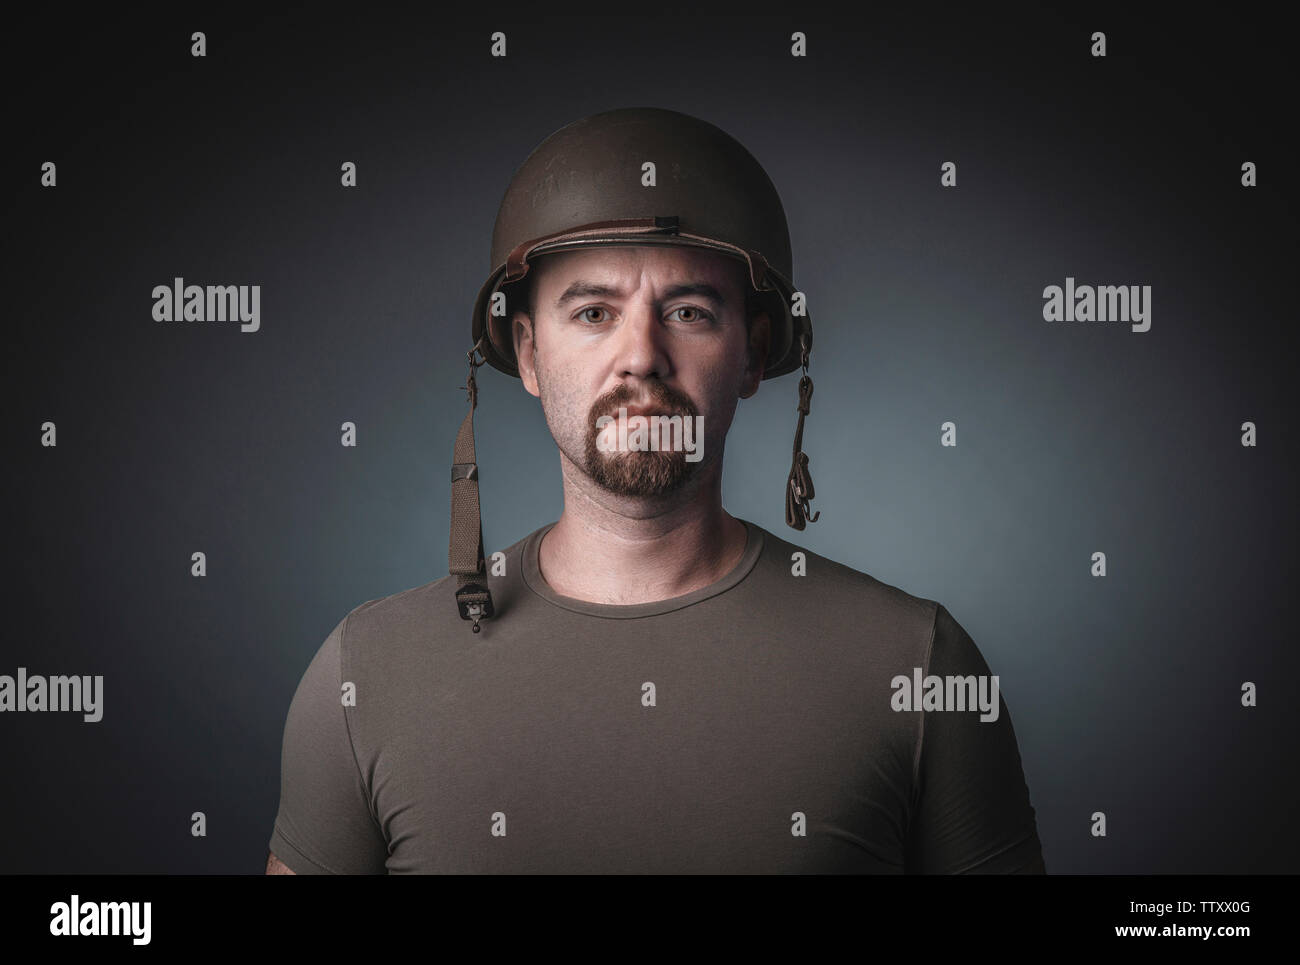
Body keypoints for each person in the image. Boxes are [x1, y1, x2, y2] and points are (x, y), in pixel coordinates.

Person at [266, 107, 1046, 874]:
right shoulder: (365, 674)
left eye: (688, 311)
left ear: (754, 354)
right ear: (529, 353)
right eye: (594, 312)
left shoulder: (918, 665)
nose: (641, 355)